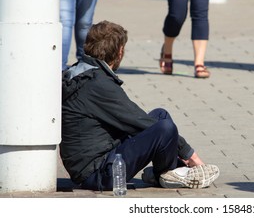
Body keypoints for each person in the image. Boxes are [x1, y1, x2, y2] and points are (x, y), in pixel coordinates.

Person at [60, 21, 220, 191]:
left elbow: (135, 120)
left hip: (97, 159)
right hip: (98, 173)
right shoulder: (98, 84)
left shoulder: (82, 71)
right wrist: (190, 154)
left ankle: (167, 173)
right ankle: (169, 174)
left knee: (160, 115)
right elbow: (139, 121)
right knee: (164, 128)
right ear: (120, 51)